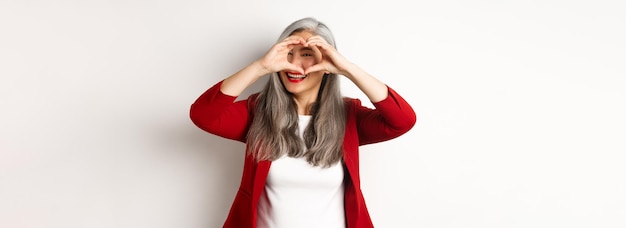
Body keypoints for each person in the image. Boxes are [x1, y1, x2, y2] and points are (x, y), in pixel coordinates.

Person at [190, 17, 416, 228]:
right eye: (288, 54)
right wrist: (261, 67)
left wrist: (347, 69)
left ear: (327, 63)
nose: (293, 64)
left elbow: (402, 120)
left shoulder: (348, 116)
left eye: (306, 54)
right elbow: (203, 115)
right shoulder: (257, 113)